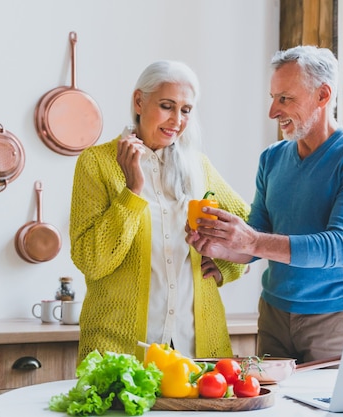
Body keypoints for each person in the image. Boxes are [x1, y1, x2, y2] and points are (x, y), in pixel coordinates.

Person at [186, 45, 343, 364]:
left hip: (334, 322)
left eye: (285, 99)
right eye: (273, 97)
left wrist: (249, 239)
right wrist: (224, 247)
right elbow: (260, 235)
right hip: (273, 317)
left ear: (323, 95)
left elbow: (340, 247)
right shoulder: (272, 158)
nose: (273, 111)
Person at [70, 60, 250, 363]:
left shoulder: (199, 167)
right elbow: (91, 261)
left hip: (196, 347)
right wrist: (132, 192)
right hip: (120, 350)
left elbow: (248, 224)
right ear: (139, 101)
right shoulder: (97, 163)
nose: (177, 120)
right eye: (167, 106)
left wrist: (226, 265)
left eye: (186, 110)